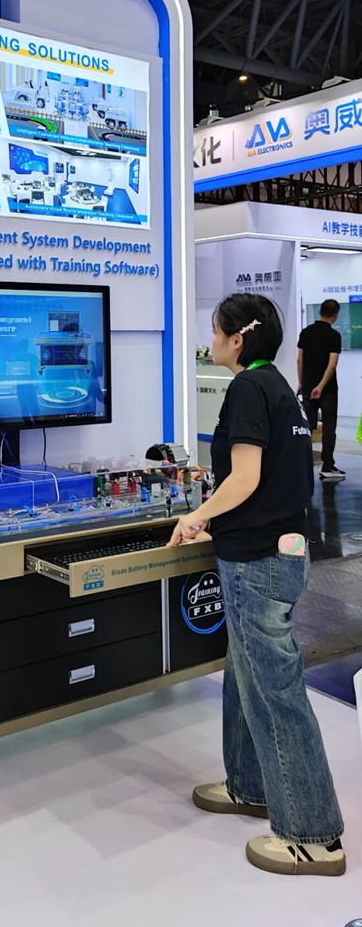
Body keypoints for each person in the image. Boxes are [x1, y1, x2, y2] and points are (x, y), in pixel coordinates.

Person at [169, 293, 345, 877]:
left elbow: (245, 478)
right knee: (245, 673)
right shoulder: (278, 387)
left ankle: (314, 835)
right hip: (285, 547)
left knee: (275, 690)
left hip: (257, 557)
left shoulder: (248, 387)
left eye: (215, 331)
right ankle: (250, 784)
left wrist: (197, 517)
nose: (211, 341)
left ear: (237, 338)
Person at [298, 299, 344, 482]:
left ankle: (303, 462)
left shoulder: (306, 332)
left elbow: (299, 360)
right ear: (335, 315)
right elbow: (332, 366)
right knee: (329, 427)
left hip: (308, 387)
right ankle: (327, 465)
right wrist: (321, 386)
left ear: (320, 312)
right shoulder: (334, 336)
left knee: (306, 428)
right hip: (328, 390)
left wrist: (302, 383)